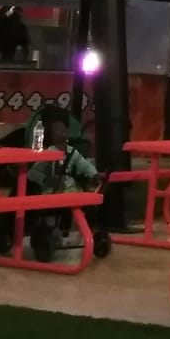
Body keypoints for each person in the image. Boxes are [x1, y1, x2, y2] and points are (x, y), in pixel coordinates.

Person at [22, 105, 108, 263]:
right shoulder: (48, 153)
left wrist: (95, 174)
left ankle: (74, 232)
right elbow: (32, 173)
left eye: (63, 130)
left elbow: (84, 165)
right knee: (52, 213)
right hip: (52, 192)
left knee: (83, 207)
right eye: (57, 130)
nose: (61, 133)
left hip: (71, 190)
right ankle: (52, 234)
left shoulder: (72, 152)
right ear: (51, 134)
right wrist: (47, 180)